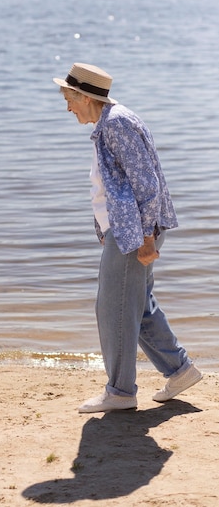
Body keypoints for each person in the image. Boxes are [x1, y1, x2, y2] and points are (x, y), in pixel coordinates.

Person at [53, 63, 202, 413]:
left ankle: (120, 391)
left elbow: (145, 183)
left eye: (68, 100)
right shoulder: (109, 123)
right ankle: (179, 371)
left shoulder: (117, 123)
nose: (67, 108)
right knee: (136, 305)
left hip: (134, 233)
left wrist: (147, 237)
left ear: (84, 97)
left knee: (113, 308)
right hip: (126, 231)